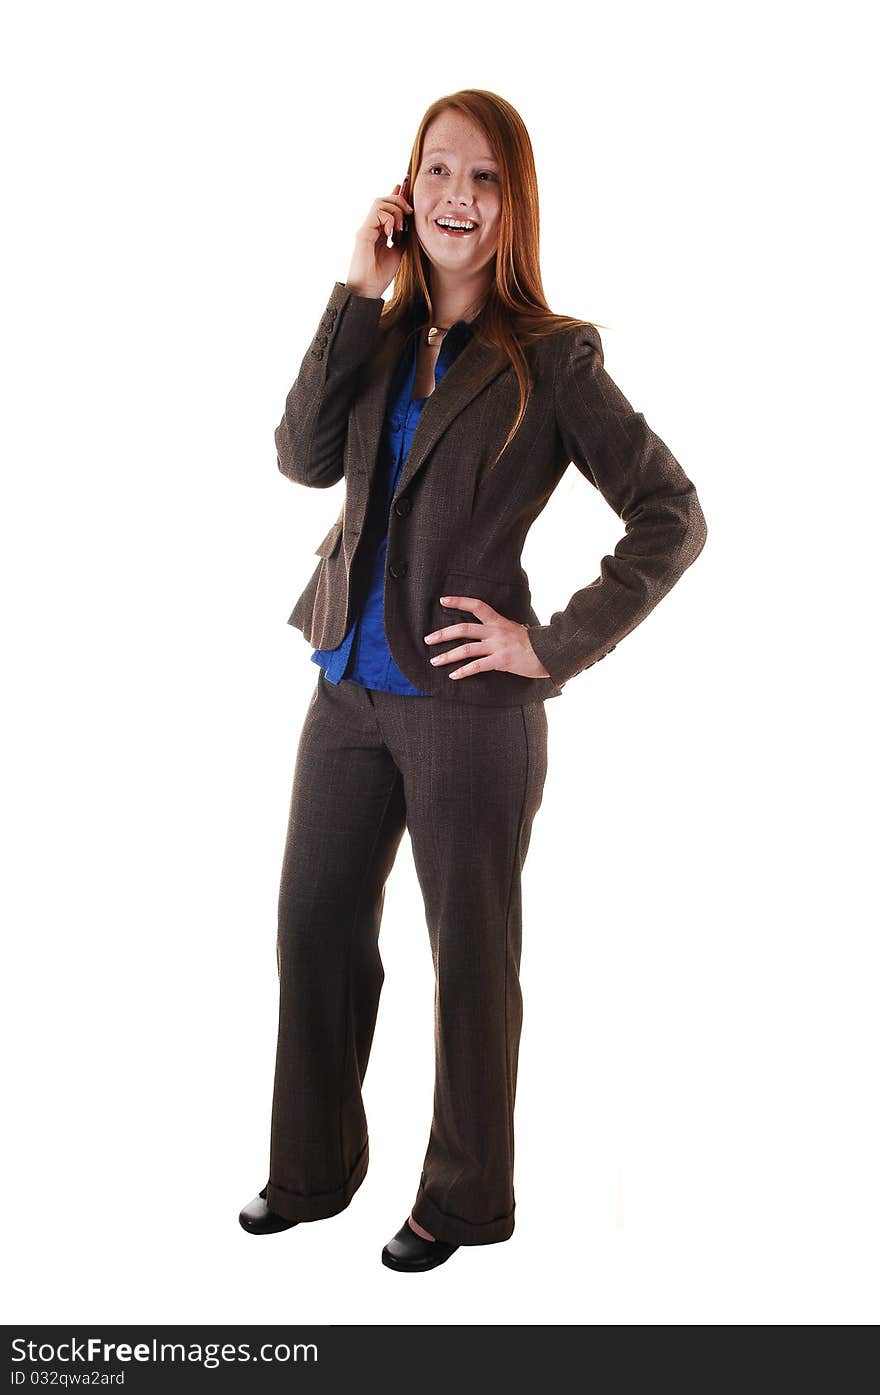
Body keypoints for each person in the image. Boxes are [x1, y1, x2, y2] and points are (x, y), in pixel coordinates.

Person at [239, 89, 708, 1272]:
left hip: (466, 708)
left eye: (484, 178)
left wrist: (551, 642)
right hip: (345, 680)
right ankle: (311, 1172)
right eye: (438, 171)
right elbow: (299, 457)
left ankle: (461, 1201)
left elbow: (672, 512)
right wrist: (354, 286)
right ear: (409, 192)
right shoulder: (383, 333)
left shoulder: (553, 360)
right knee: (312, 928)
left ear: (513, 205)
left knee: (470, 953)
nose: (458, 195)